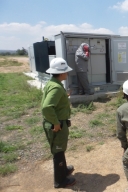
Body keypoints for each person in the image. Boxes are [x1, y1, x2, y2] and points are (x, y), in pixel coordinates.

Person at [42, 57, 76, 188]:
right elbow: (47, 107)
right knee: (58, 151)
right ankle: (60, 181)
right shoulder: (56, 87)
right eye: (66, 71)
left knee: (60, 148)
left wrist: (64, 97)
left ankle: (64, 170)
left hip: (60, 122)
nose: (67, 74)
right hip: (57, 125)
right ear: (61, 73)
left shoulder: (53, 83)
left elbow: (53, 102)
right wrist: (56, 123)